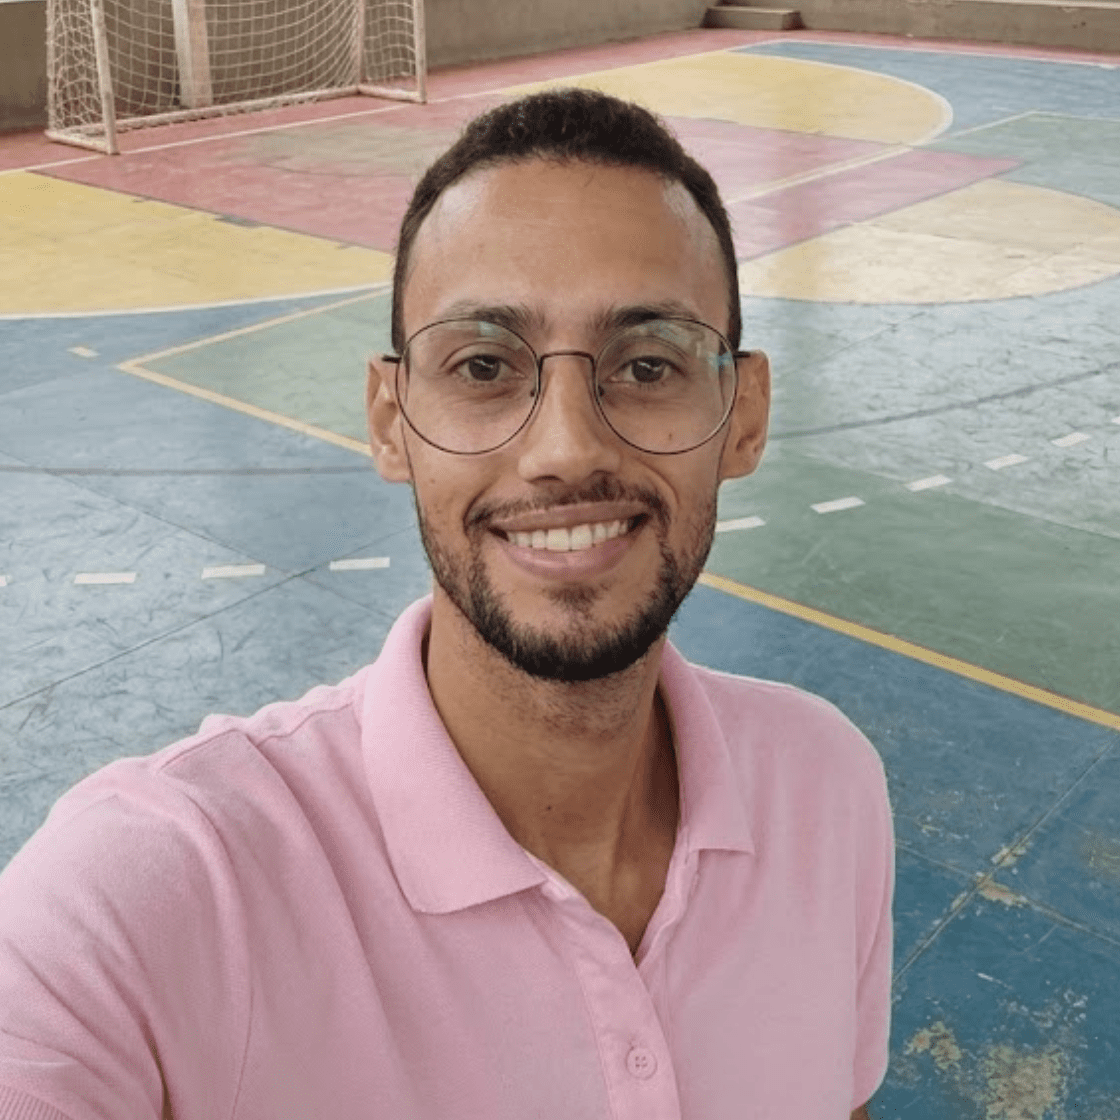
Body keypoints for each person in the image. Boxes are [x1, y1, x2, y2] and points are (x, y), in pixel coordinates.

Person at [0, 89, 892, 1120]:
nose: (566, 449)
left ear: (744, 416)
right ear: (390, 421)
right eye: (483, 366)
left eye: (648, 365)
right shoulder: (145, 895)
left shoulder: (829, 787)